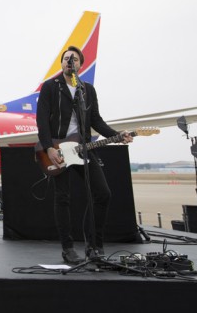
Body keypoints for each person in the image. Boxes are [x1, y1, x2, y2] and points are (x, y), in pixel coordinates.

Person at [36, 45, 133, 264]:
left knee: (103, 193)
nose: (70, 61)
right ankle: (67, 247)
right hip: (58, 149)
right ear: (62, 63)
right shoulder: (51, 86)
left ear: (81, 64)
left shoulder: (87, 89)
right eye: (66, 58)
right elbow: (41, 119)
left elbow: (96, 120)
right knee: (63, 198)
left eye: (75, 59)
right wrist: (49, 147)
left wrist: (117, 135)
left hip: (82, 149)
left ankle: (95, 245)